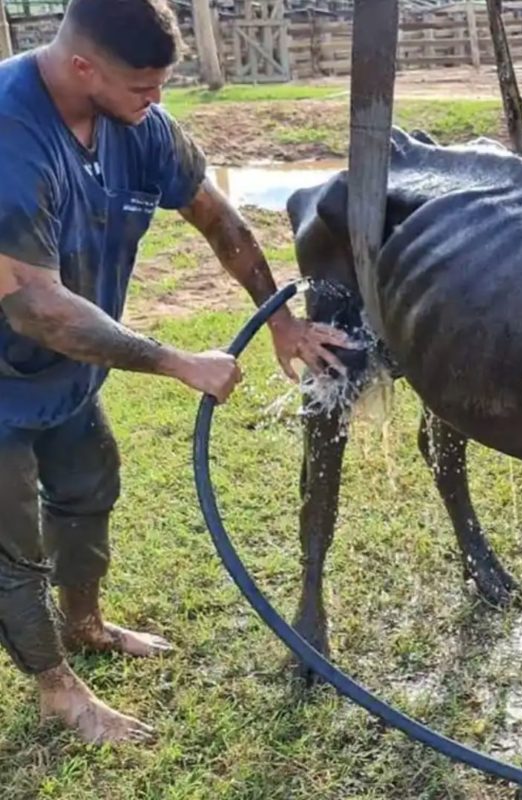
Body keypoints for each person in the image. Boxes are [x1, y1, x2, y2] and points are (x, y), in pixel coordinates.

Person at [0, 0, 352, 744]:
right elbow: (36, 307)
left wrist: (279, 317)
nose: (156, 102)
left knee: (89, 489)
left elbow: (218, 218)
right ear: (83, 66)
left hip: (63, 373)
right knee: (11, 545)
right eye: (143, 88)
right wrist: (173, 360)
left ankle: (86, 623)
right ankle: (56, 689)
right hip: (12, 364)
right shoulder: (9, 136)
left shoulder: (139, 128)